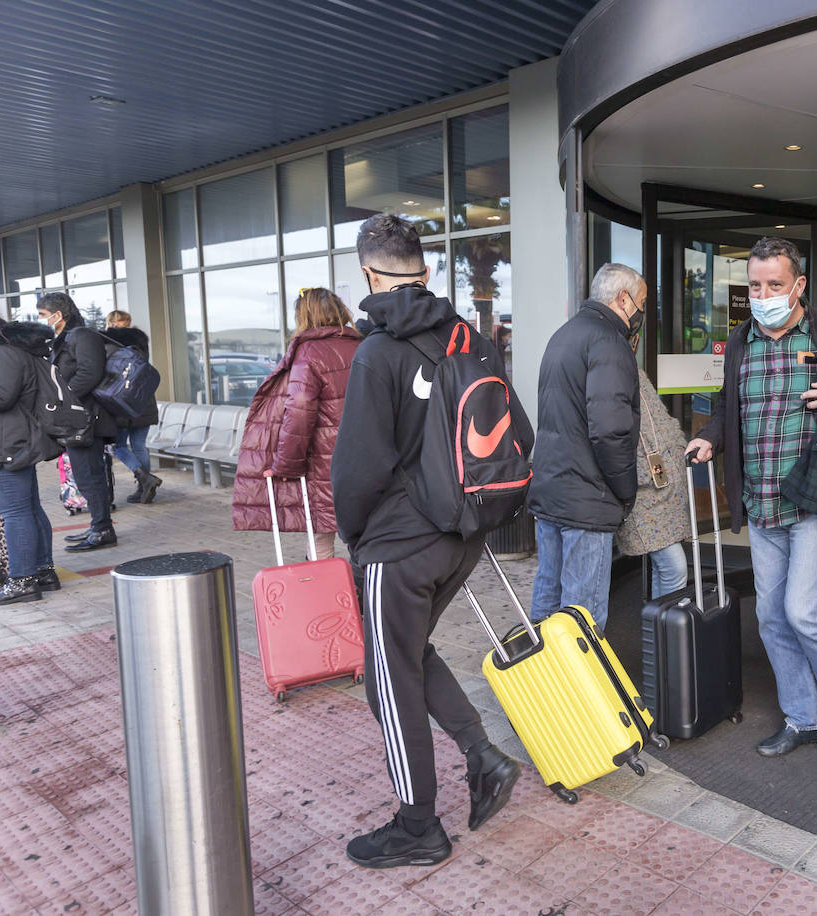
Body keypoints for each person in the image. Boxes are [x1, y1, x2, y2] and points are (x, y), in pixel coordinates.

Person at [330, 214, 531, 869]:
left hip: (399, 545)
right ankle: (481, 755)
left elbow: (357, 469)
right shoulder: (469, 337)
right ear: (423, 269)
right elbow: (516, 430)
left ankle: (418, 826)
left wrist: (358, 541)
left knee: (387, 681)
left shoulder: (378, 352)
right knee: (410, 654)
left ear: (369, 273)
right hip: (464, 535)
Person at [686, 236, 817, 758]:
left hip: (813, 500)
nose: (763, 295)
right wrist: (709, 436)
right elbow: (728, 404)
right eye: (755, 285)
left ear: (799, 285)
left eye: (775, 284)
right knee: (770, 618)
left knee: (804, 611)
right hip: (761, 501)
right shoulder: (741, 341)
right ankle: (803, 716)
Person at [527, 263, 643, 629]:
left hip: (551, 489)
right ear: (622, 298)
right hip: (588, 499)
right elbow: (610, 431)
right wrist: (625, 492)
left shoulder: (564, 335)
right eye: (641, 303)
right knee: (583, 616)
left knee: (548, 598)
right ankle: (575, 670)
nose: (642, 313)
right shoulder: (609, 343)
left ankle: (542, 667)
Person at [232, 290, 361, 559]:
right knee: (364, 532)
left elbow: (299, 414)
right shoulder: (363, 345)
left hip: (325, 460)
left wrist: (286, 465)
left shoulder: (308, 351)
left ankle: (326, 585)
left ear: (304, 316)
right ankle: (366, 583)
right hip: (366, 455)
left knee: (321, 535)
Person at [37, 293, 118, 551]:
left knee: (90, 476)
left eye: (42, 314)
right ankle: (98, 525)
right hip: (77, 418)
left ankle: (103, 530)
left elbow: (90, 372)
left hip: (87, 418)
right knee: (84, 476)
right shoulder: (66, 338)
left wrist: (64, 399)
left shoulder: (83, 336)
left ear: (58, 315)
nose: (41, 319)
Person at [0, 320, 61, 603]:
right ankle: (43, 571)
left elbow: (4, 397)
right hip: (17, 439)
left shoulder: (5, 354)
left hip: (10, 442)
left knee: (15, 512)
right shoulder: (16, 353)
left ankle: (22, 580)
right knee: (29, 508)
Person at [617, 366, 691, 599]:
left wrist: (677, 447)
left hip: (660, 482)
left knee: (666, 568)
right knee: (673, 567)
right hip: (643, 489)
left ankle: (659, 620)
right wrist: (641, 474)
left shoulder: (631, 369)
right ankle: (664, 620)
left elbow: (658, 419)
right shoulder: (610, 365)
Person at [103, 310, 163, 504]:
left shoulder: (109, 343)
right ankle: (143, 487)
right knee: (139, 446)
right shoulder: (140, 343)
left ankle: (145, 479)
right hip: (143, 399)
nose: (116, 324)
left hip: (120, 400)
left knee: (119, 446)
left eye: (116, 322)